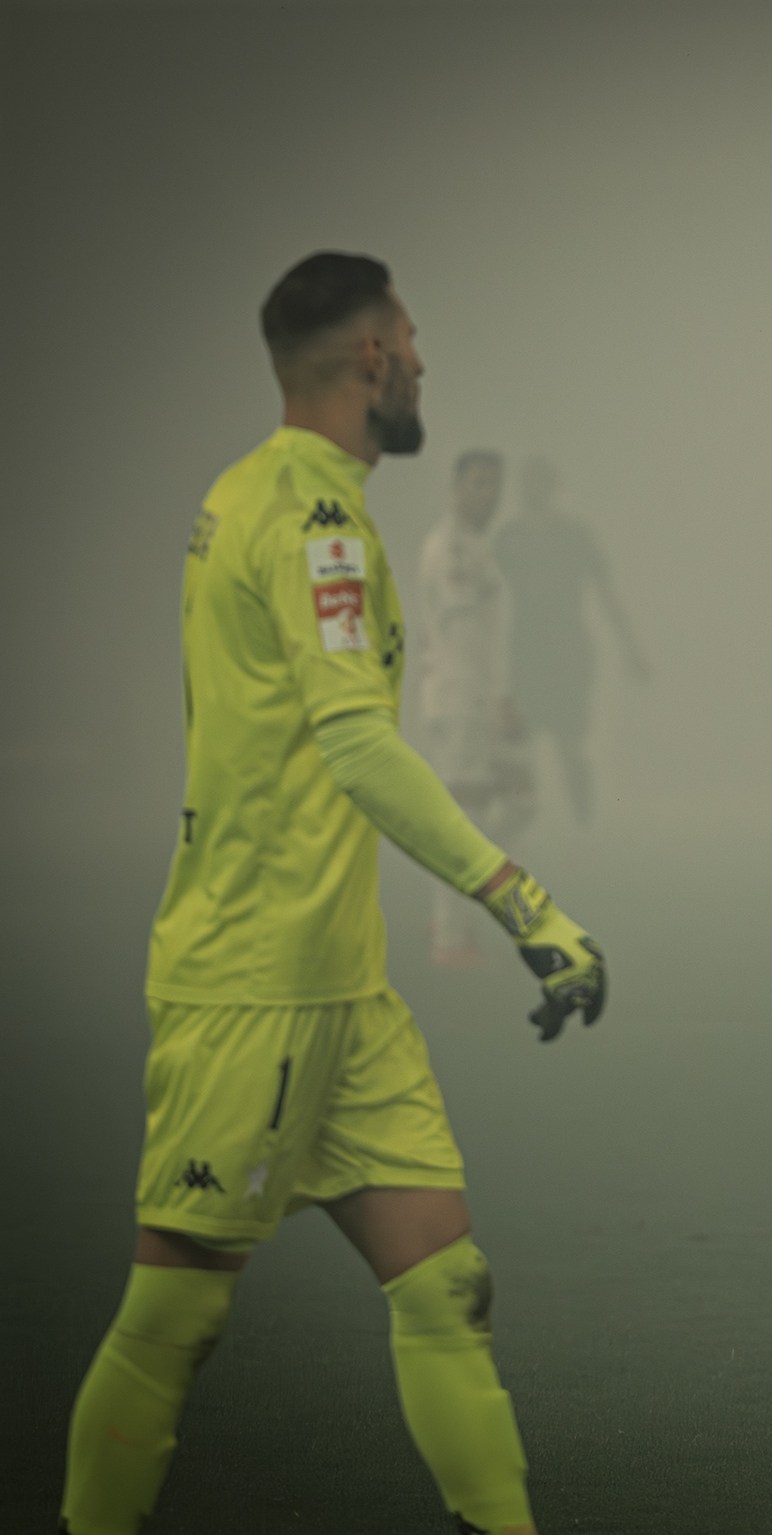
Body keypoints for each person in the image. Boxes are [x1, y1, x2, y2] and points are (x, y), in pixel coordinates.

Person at [60, 252, 607, 1535]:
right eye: (409, 340)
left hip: (342, 991)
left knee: (447, 1286)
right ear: (371, 357)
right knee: (173, 1315)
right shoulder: (316, 523)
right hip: (253, 982)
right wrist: (523, 902)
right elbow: (358, 744)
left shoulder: (246, 491)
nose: (420, 362)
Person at [415, 449, 534, 965]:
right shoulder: (452, 552)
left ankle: (463, 901)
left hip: (483, 700)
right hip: (462, 701)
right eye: (478, 484)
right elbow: (463, 639)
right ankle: (448, 936)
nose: (488, 495)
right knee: (467, 815)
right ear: (456, 488)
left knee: (522, 796)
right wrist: (497, 701)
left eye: (494, 485)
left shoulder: (479, 547)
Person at [494, 458, 647, 824]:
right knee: (520, 742)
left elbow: (606, 593)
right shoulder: (508, 538)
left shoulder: (575, 536)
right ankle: (520, 819)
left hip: (568, 652)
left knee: (570, 743)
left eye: (539, 483)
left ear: (551, 488)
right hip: (526, 650)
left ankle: (583, 823)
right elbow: (486, 595)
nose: (532, 491)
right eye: (527, 484)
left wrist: (631, 649)